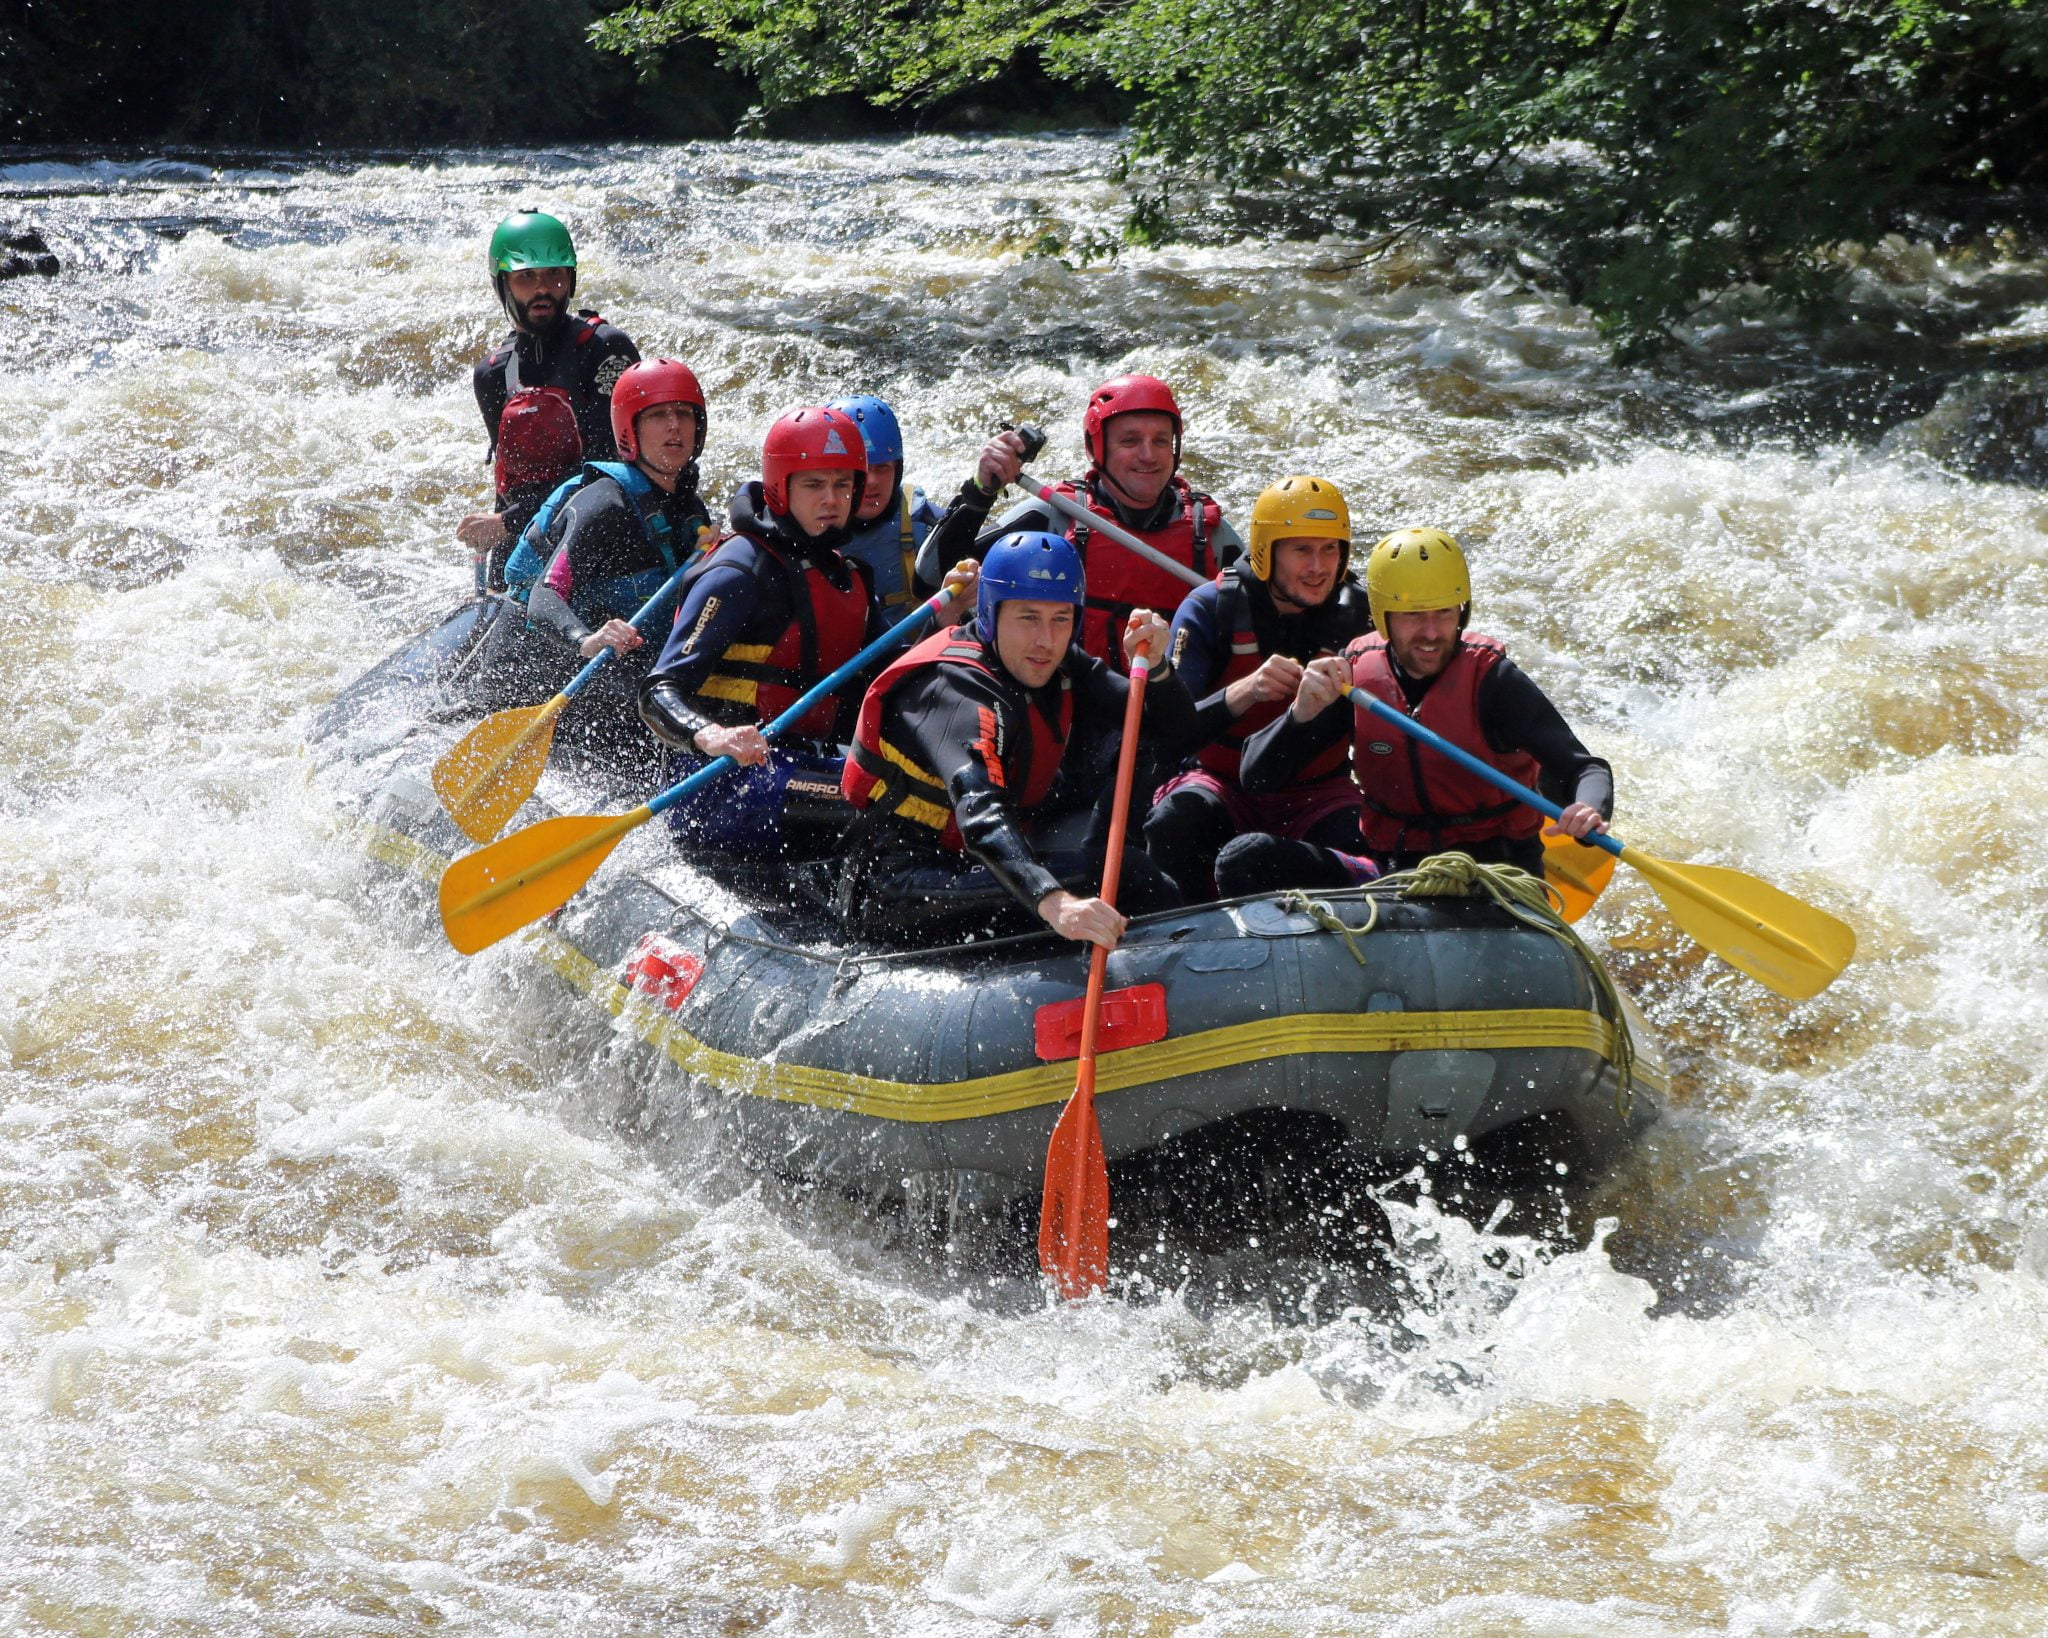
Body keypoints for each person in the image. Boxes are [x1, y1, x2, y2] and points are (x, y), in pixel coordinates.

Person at [837, 531, 1196, 950]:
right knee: (1130, 875)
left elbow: (1174, 731)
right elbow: (982, 811)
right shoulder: (957, 691)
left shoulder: (1055, 660)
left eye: (1061, 619)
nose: (1045, 640)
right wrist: (1054, 901)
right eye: (1028, 617)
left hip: (971, 863)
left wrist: (1156, 669)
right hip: (898, 884)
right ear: (990, 613)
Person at [1224, 528, 1611, 894]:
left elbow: (1584, 768)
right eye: (1413, 615)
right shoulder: (1355, 675)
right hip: (1396, 873)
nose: (1431, 632)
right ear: (1383, 616)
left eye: (1443, 613)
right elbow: (1257, 777)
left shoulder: (1493, 682)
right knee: (1248, 858)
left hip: (1495, 875)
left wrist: (1587, 808)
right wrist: (1301, 715)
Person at [637, 406, 888, 860]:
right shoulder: (738, 570)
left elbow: (888, 685)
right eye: (814, 485)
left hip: (806, 763)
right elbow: (658, 692)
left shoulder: (850, 578)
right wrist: (711, 736)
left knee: (917, 802)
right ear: (779, 487)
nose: (831, 500)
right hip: (721, 781)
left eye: (842, 484)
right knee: (881, 806)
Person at [1143, 476, 1378, 902]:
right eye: (1302, 550)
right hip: (1220, 783)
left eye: (1330, 549)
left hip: (1319, 791)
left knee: (1366, 835)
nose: (1318, 567)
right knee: (1174, 823)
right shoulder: (1210, 607)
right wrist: (1245, 691)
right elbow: (1166, 735)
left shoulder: (1362, 620)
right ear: (1268, 552)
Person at [915, 375, 1242, 670]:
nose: (1148, 455)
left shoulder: (1214, 538)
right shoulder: (1051, 518)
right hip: (1069, 706)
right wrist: (980, 493)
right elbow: (928, 578)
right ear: (1094, 448)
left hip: (1168, 711)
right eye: (1130, 441)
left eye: (1160, 441)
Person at [455, 210, 639, 582]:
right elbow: (510, 483)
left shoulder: (606, 350)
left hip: (600, 540)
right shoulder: (492, 375)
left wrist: (508, 522)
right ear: (503, 284)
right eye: (526, 277)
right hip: (528, 541)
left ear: (569, 279)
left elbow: (607, 472)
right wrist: (497, 570)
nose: (542, 289)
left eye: (554, 274)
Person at [518, 359, 714, 664]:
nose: (674, 425)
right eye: (658, 415)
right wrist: (588, 640)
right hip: (549, 659)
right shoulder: (606, 504)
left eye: (684, 414)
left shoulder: (691, 510)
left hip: (632, 659)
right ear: (629, 429)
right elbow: (543, 597)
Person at [828, 395, 946, 611]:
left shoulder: (928, 523)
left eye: (882, 468)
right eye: (861, 470)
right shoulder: (805, 535)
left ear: (897, 470)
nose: (872, 481)